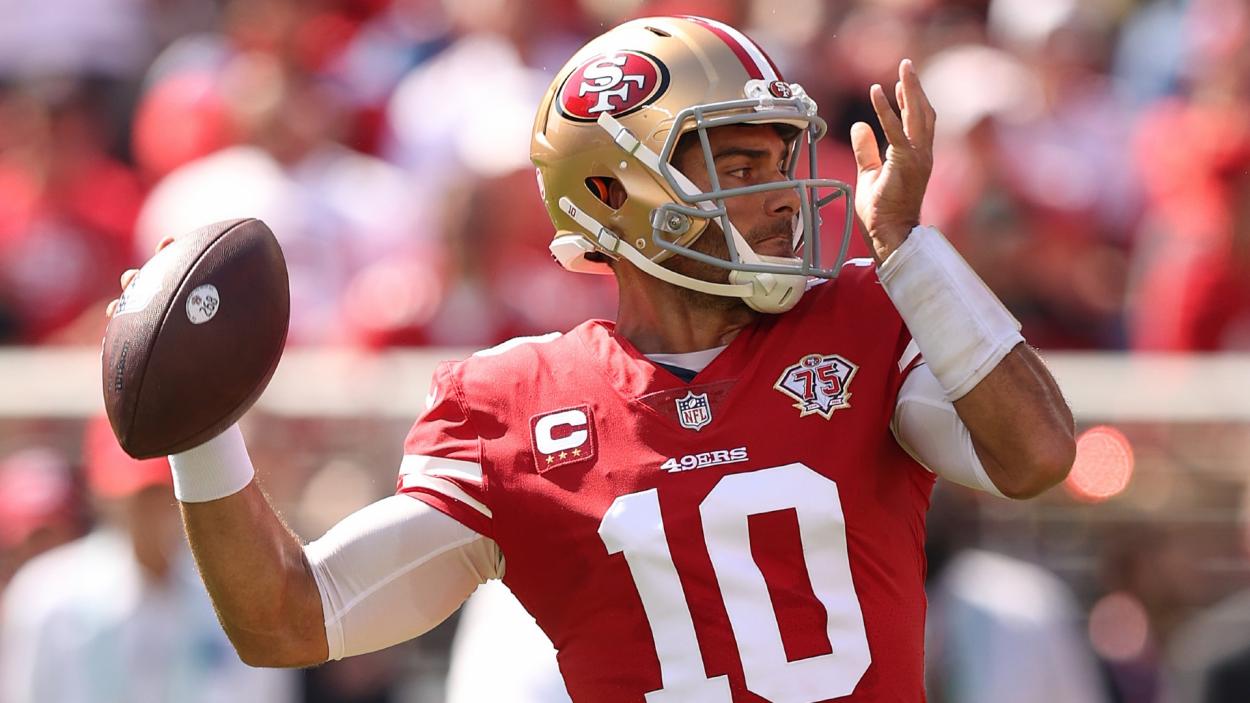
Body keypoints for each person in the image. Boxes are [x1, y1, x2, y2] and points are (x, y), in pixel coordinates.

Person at [108, 15, 1076, 702]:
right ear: (613, 192)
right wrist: (201, 425)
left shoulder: (864, 314)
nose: (782, 197)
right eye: (736, 166)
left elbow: (1033, 455)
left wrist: (911, 248)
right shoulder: (513, 406)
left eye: (782, 160)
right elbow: (288, 618)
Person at [0, 417, 295, 703]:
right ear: (101, 495)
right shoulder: (45, 597)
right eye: (137, 497)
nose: (149, 513)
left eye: (159, 495)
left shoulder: (236, 600)